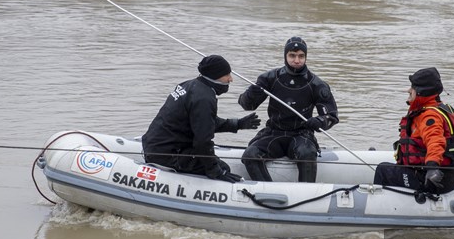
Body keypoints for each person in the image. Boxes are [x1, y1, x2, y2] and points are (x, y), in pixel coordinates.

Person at [140, 54, 261, 183]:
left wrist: (238, 124)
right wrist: (215, 170)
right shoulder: (204, 98)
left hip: (155, 145)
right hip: (167, 154)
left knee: (215, 163)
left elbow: (203, 122)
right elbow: (202, 141)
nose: (231, 79)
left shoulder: (189, 85)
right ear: (215, 75)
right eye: (227, 75)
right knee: (223, 168)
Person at [237, 36, 339, 182]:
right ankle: (268, 191)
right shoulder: (269, 78)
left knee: (307, 153)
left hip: (301, 134)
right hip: (273, 133)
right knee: (250, 154)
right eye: (292, 55)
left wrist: (320, 121)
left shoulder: (317, 84)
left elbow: (332, 116)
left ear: (305, 57)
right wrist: (251, 94)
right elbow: (247, 105)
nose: (297, 60)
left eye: (301, 56)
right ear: (285, 56)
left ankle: (306, 194)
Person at [374, 67, 454, 196]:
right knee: (395, 168)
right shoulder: (438, 109)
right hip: (445, 177)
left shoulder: (429, 116)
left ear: (421, 92)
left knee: (383, 170)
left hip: (433, 180)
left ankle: (381, 207)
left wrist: (432, 167)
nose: (409, 90)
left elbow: (435, 141)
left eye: (413, 87)